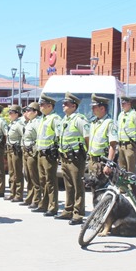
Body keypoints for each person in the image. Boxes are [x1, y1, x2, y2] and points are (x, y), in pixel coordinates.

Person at [55, 92, 90, 225]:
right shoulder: (64, 120)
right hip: (64, 158)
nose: (64, 105)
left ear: (74, 106)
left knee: (77, 186)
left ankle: (78, 213)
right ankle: (68, 210)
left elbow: (87, 138)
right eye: (63, 103)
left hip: (76, 158)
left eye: (67, 104)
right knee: (68, 185)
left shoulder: (79, 120)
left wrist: (86, 156)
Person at [32, 93, 61, 216]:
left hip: (49, 154)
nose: (40, 107)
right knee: (42, 180)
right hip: (41, 152)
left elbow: (59, 136)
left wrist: (57, 152)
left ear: (50, 106)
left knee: (50, 181)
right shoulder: (43, 118)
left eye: (42, 105)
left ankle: (52, 206)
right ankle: (43, 204)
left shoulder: (55, 119)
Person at [87, 94, 118, 198]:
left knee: (102, 191)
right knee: (94, 191)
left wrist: (108, 164)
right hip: (93, 162)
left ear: (102, 108)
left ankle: (104, 213)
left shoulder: (109, 123)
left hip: (102, 163)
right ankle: (97, 213)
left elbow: (113, 145)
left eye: (94, 107)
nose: (92, 109)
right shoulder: (94, 123)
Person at [21, 102, 42, 208]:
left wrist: (34, 150)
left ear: (35, 112)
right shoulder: (29, 122)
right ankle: (29, 197)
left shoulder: (37, 123)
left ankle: (37, 199)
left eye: (29, 110)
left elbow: (39, 137)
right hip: (26, 150)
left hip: (32, 151)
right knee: (28, 176)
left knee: (34, 177)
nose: (26, 112)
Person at [117, 96, 136, 174]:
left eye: (124, 104)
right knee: (122, 169)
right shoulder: (121, 115)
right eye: (121, 104)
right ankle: (123, 186)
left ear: (129, 104)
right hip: (121, 144)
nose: (122, 106)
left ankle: (131, 185)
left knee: (130, 169)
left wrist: (135, 141)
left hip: (130, 145)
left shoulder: (134, 115)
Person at [4, 104, 25, 202]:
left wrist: (20, 147)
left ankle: (18, 194)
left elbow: (23, 136)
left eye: (11, 112)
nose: (9, 114)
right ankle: (12, 192)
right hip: (9, 149)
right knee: (11, 172)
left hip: (16, 150)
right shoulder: (12, 123)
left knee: (17, 172)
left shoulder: (19, 124)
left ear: (17, 114)